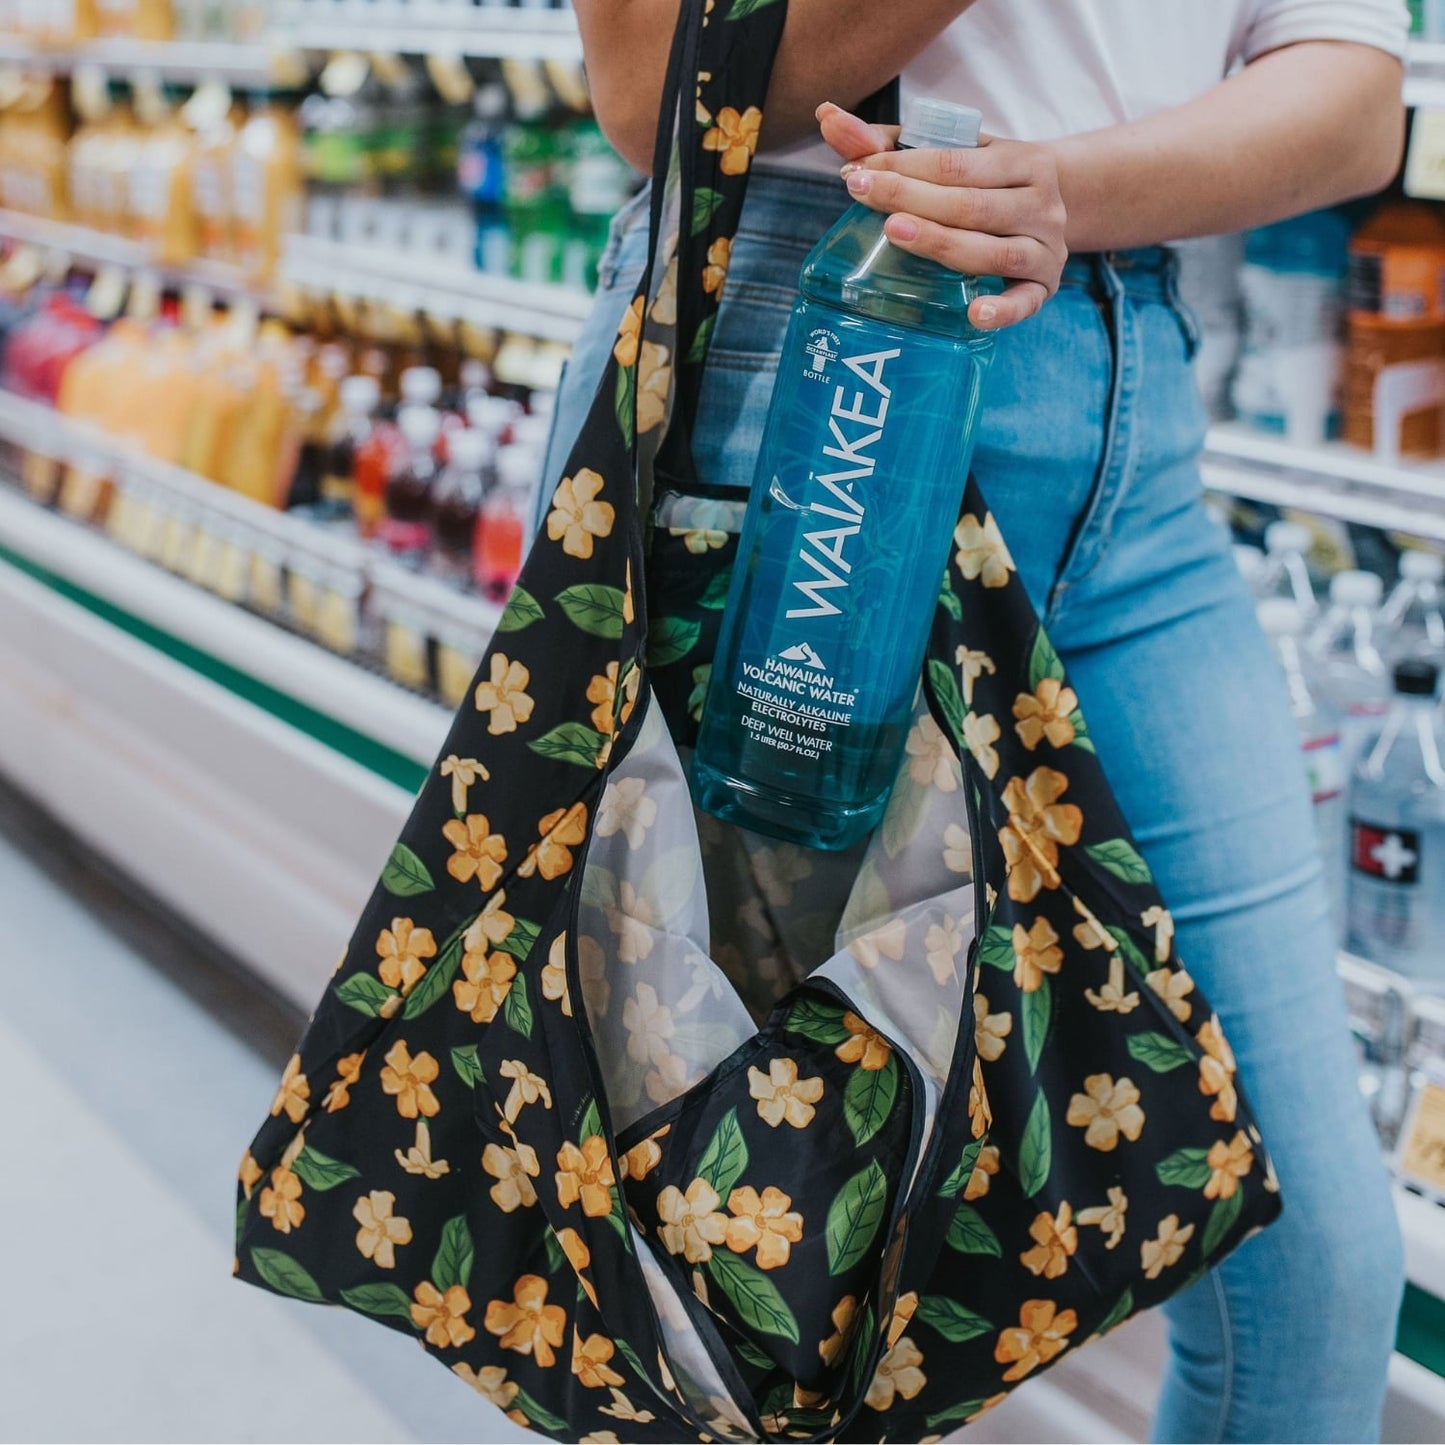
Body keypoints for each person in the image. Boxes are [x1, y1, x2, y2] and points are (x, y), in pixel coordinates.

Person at [553, 3, 1410, 1441]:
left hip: (1126, 420)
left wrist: (1067, 188)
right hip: (811, 374)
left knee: (1314, 1269)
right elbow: (651, 90)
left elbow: (1351, 100)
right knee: (754, 1259)